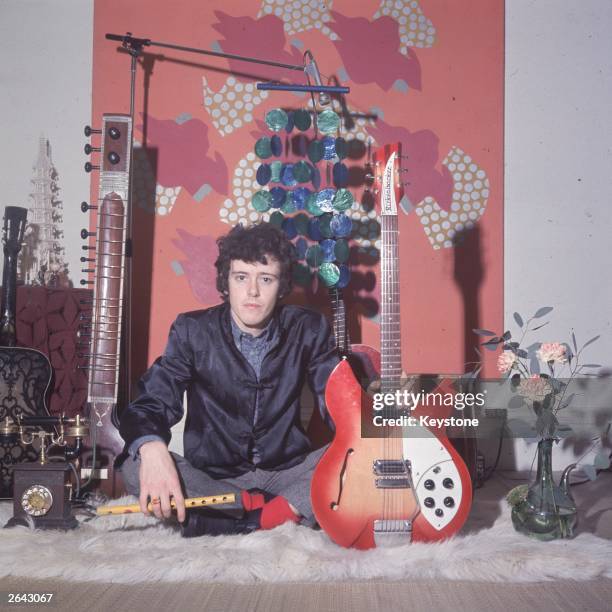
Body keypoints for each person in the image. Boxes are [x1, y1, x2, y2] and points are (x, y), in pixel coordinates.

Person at [117, 222, 338, 536]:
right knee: (134, 465)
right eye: (241, 277)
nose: (252, 292)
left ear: (282, 284)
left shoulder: (309, 328)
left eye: (266, 278)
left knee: (363, 458)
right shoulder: (191, 330)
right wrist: (153, 450)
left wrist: (360, 447)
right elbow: (150, 403)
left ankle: (230, 519)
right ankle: (276, 511)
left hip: (288, 471)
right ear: (226, 281)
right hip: (215, 478)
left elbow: (338, 403)